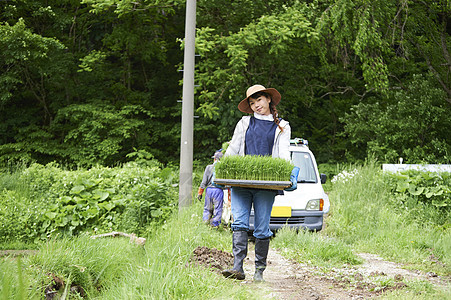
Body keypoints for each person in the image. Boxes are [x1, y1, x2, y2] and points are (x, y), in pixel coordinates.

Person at [221, 84, 292, 283]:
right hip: (241, 183)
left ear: (269, 99)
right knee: (239, 223)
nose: (256, 106)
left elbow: (284, 153)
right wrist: (222, 170)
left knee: (261, 228)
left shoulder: (282, 126)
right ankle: (238, 267)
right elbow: (233, 148)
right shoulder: (244, 123)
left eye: (259, 100)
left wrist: (288, 173)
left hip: (266, 185)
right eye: (252, 103)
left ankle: (259, 270)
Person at [197, 150, 224, 227]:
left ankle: (205, 223)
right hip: (218, 191)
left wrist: (200, 193)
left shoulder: (208, 167)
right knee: (217, 209)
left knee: (207, 208)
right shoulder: (223, 169)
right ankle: (215, 225)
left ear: (215, 159)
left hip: (208, 190)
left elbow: (204, 182)